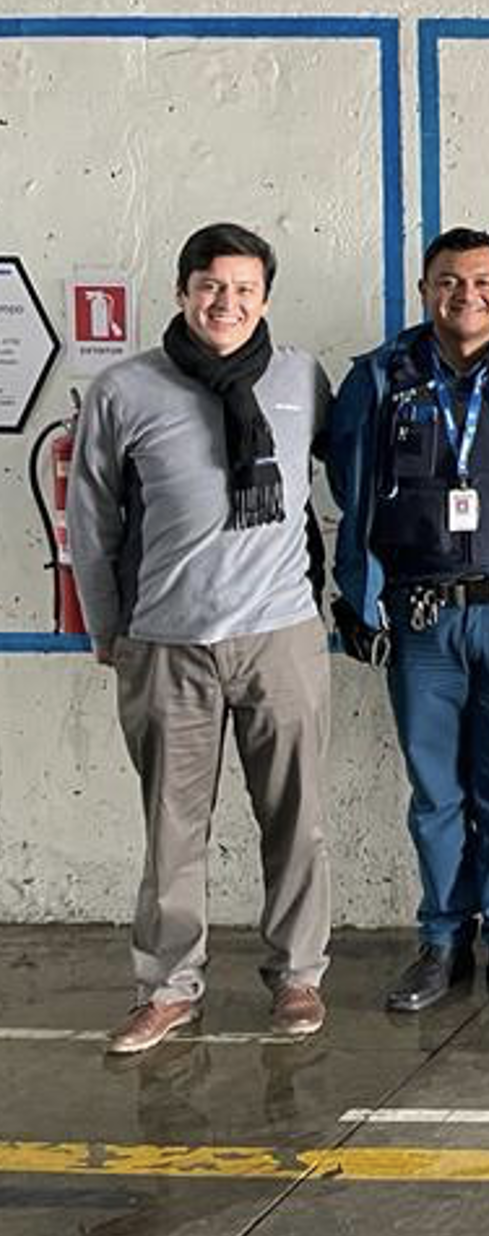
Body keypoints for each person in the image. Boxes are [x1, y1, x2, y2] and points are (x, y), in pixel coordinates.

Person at [68, 222, 335, 1052]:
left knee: (296, 817)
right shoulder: (124, 390)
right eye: (211, 286)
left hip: (281, 636)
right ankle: (169, 987)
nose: (227, 303)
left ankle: (297, 978)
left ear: (265, 298)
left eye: (244, 289)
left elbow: (347, 483)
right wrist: (109, 626)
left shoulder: (301, 379)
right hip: (165, 643)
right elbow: (91, 517)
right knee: (171, 826)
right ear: (184, 292)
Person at [325, 227, 489, 1012]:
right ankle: (442, 941)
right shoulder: (380, 379)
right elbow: (350, 491)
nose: (464, 295)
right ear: (423, 291)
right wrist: (356, 595)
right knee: (435, 791)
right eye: (447, 281)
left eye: (481, 281)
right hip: (421, 620)